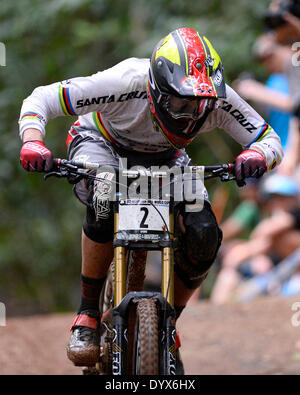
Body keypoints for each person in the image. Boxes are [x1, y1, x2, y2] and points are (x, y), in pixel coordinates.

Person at [18, 28, 283, 367]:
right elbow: (42, 98)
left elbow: (267, 137)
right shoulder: (125, 81)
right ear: (156, 89)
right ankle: (86, 314)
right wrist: (33, 140)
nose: (190, 114)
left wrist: (257, 156)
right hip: (102, 143)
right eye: (180, 103)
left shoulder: (216, 98)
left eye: (199, 106)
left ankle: (169, 320)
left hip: (168, 159)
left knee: (203, 233)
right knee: (102, 201)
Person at [211, 173, 300, 304]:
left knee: (281, 237)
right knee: (229, 276)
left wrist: (244, 251)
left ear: (289, 198)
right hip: (277, 271)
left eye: (275, 198)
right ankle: (216, 311)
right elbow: (261, 239)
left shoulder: (294, 214)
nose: (271, 204)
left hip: (289, 270)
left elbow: (265, 230)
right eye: (269, 199)